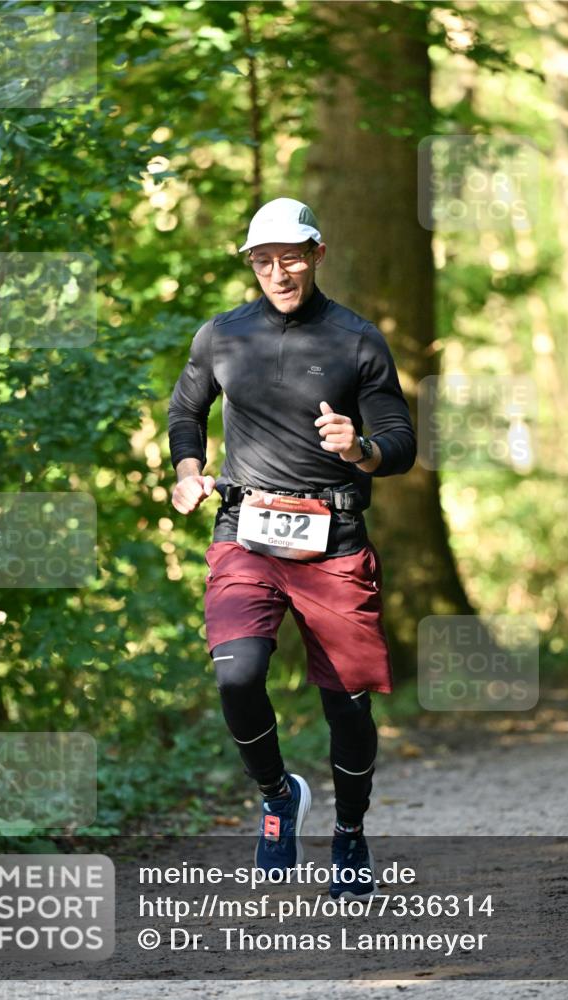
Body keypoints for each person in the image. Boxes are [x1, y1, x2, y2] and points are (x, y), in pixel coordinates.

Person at [168, 197, 416, 900]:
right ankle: (279, 797)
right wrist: (188, 473)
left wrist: (360, 448)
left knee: (347, 706)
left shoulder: (357, 341)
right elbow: (185, 412)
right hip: (244, 532)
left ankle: (350, 834)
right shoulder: (221, 336)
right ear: (250, 263)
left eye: (290, 256)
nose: (277, 271)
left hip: (333, 538)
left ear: (316, 253)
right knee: (237, 675)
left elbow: (400, 442)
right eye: (262, 259)